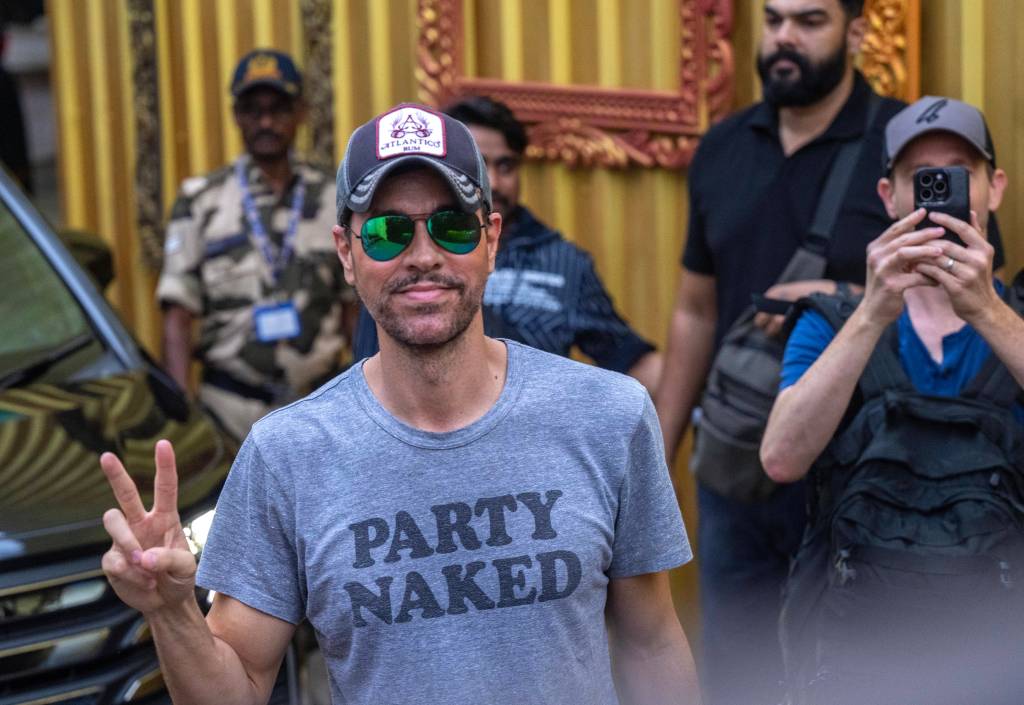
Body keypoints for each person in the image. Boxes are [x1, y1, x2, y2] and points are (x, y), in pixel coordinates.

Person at [98, 102, 701, 705]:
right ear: (345, 252)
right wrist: (172, 612)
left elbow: (651, 645)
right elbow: (240, 688)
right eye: (388, 231)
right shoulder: (287, 454)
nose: (423, 256)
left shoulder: (608, 416)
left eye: (452, 226)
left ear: (491, 239)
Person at [655, 1, 1001, 702]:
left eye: (810, 20)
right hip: (743, 452)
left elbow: (972, 297)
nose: (785, 36)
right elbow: (694, 310)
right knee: (741, 666)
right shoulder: (721, 148)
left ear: (856, 33)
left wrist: (842, 296)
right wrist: (657, 458)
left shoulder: (906, 146)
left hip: (872, 470)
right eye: (775, 19)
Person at [760, 96, 1023, 704]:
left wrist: (984, 310)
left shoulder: (1014, 319)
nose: (940, 193)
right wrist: (873, 311)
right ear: (889, 197)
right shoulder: (834, 322)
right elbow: (780, 458)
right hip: (858, 660)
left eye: (959, 173)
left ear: (995, 188)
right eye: (921, 179)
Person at [352, 95, 662, 393]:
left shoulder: (563, 262)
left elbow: (630, 359)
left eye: (506, 166)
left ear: (492, 241)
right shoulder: (394, 262)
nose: (495, 183)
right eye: (482, 165)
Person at [156, 49, 355, 442]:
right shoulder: (201, 200)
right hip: (229, 415)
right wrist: (181, 419)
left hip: (322, 409)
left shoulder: (334, 197)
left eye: (278, 109)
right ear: (236, 116)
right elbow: (177, 314)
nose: (266, 122)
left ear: (300, 112)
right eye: (252, 110)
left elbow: (355, 307)